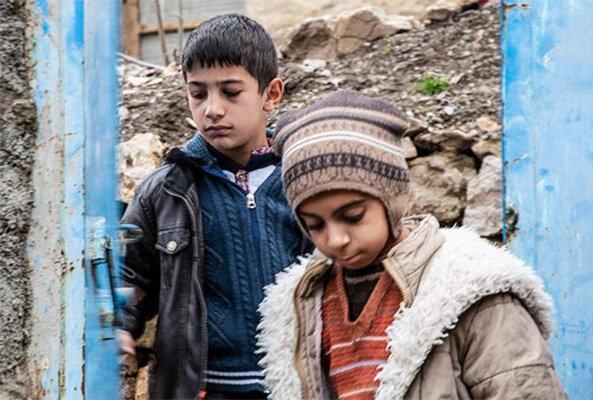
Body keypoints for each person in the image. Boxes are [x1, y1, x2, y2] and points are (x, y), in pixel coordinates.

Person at [256, 90, 567, 399]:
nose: (335, 239)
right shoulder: (304, 301)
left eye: (353, 216)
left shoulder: (470, 287)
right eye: (315, 224)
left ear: (391, 199)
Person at [119, 14, 306, 399]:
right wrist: (118, 329)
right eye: (198, 94)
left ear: (271, 94)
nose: (212, 109)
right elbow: (130, 275)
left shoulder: (302, 179)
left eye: (231, 92)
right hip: (204, 389)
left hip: (297, 384)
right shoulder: (167, 190)